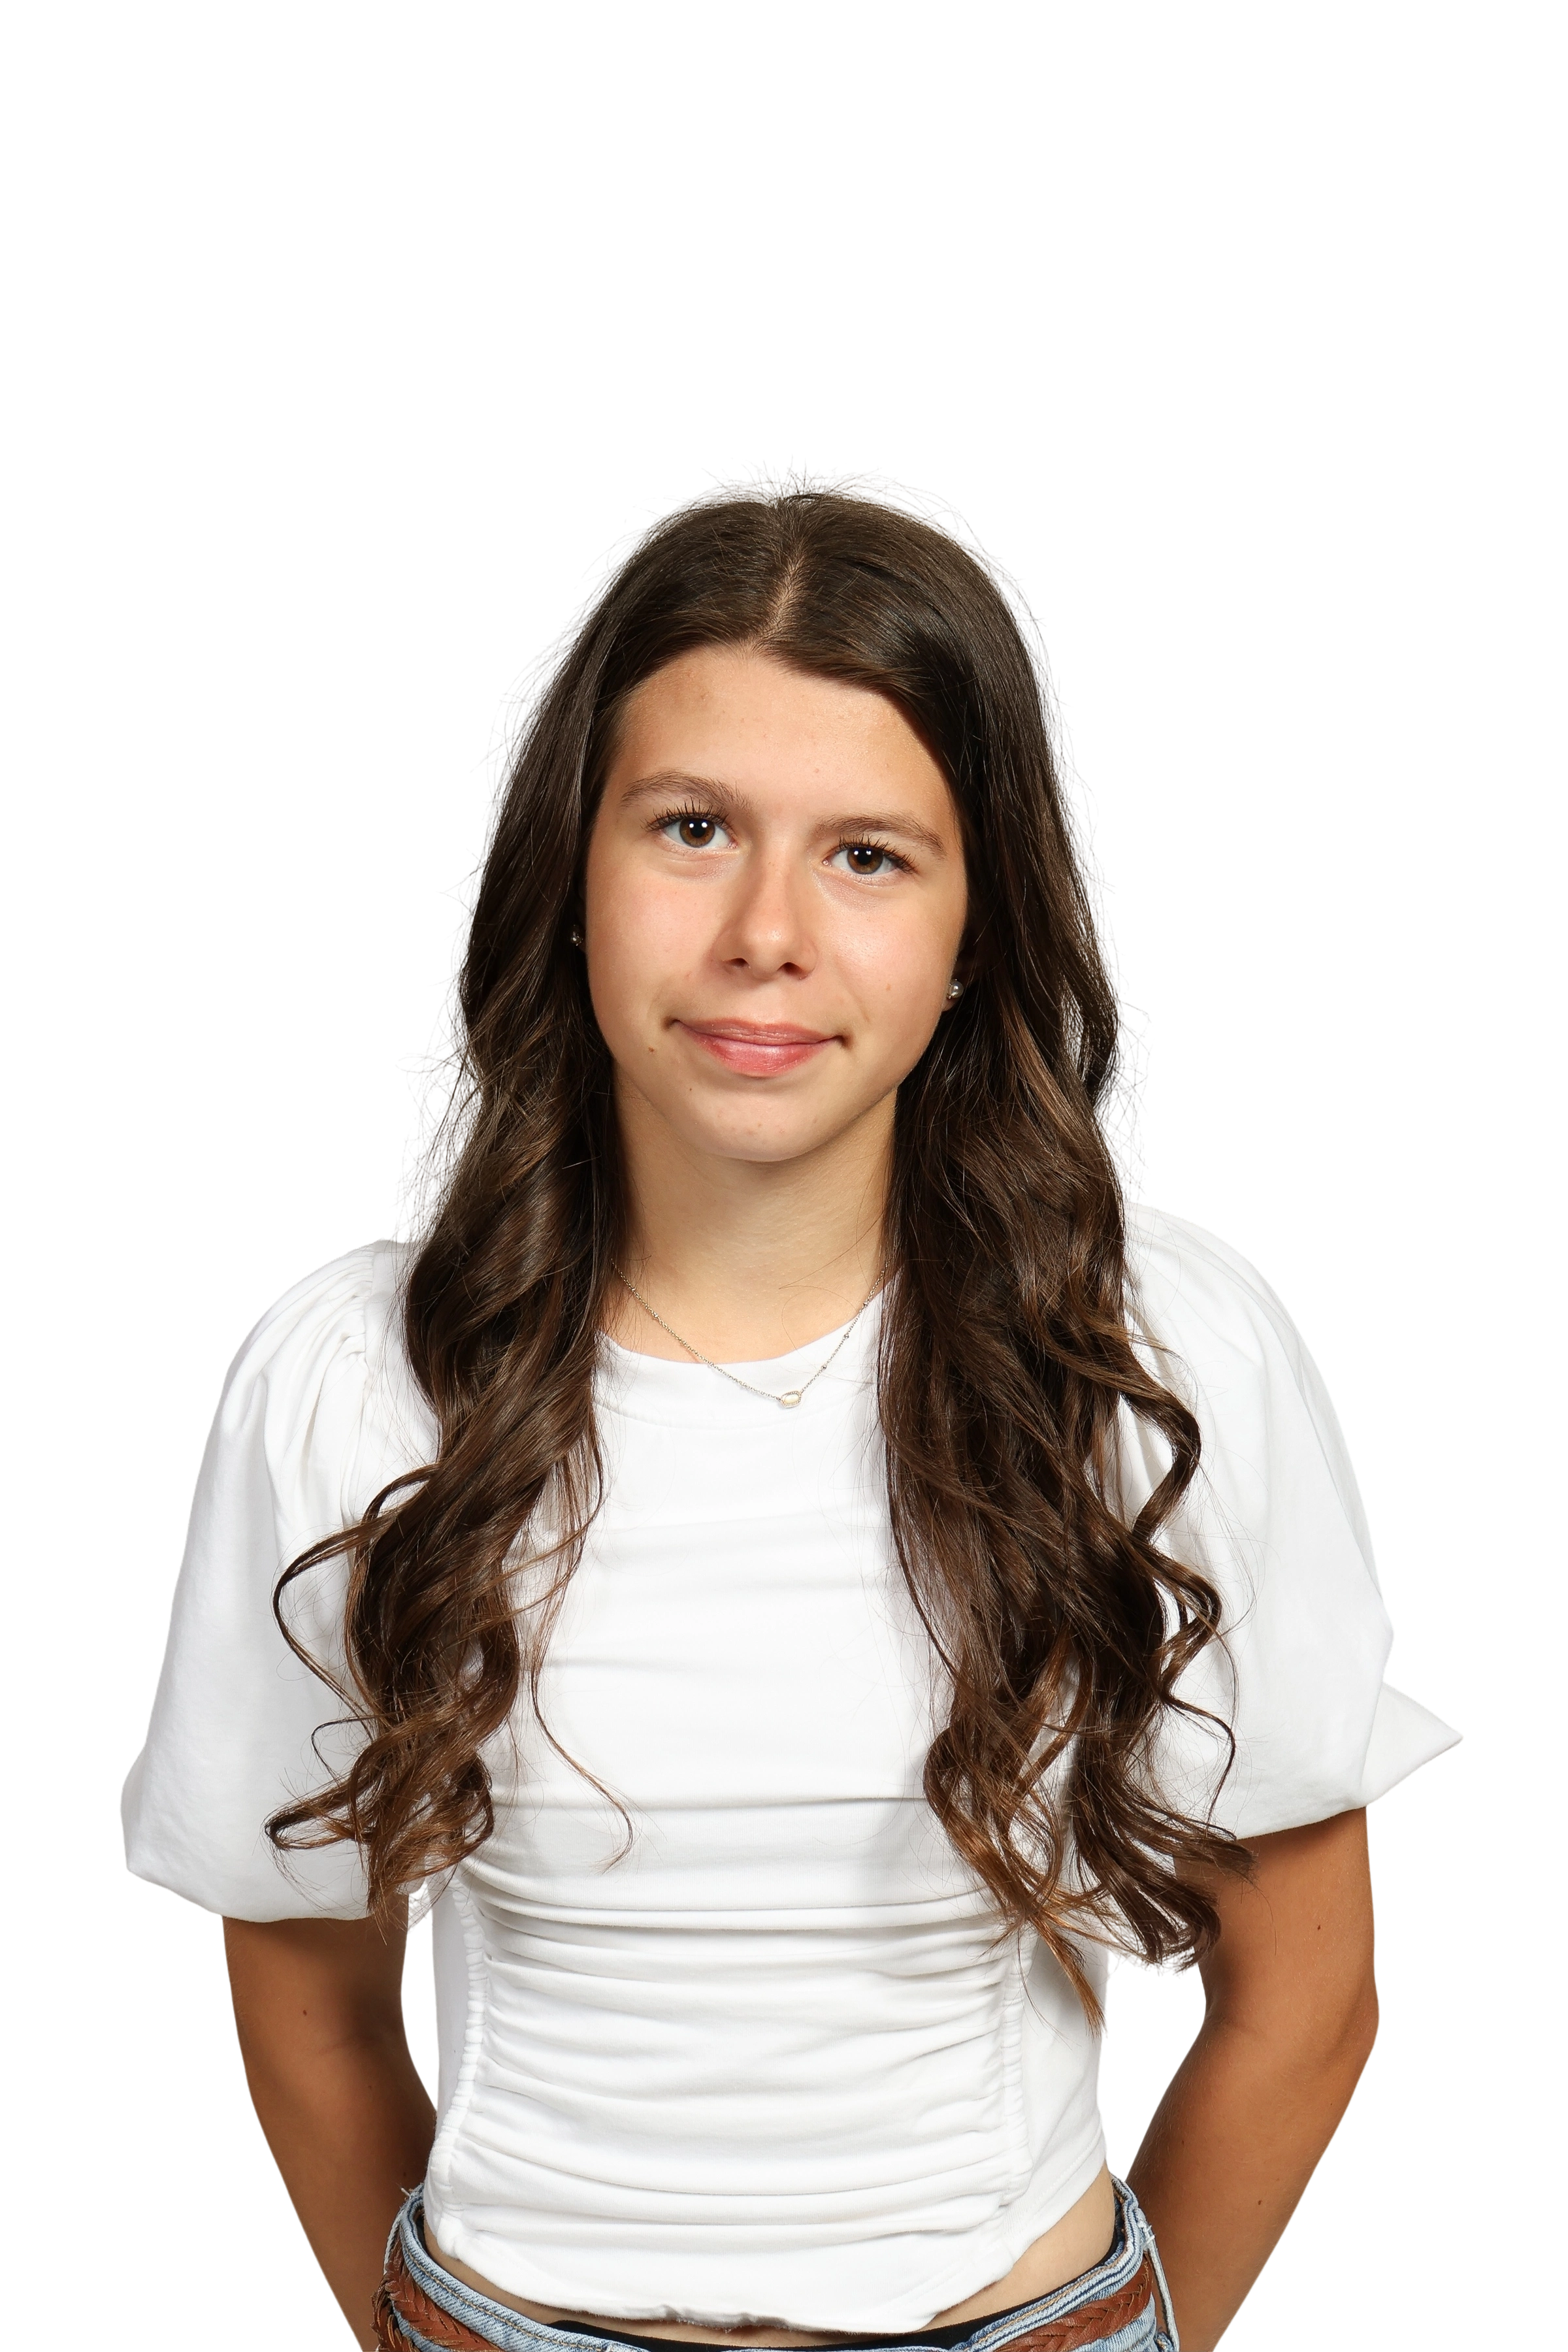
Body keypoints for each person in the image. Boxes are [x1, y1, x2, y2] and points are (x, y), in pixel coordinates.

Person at [118, 463, 1460, 2352]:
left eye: (868, 855)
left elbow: (1306, 1997)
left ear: (979, 921)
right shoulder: (353, 1374)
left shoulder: (1161, 1348)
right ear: (568, 873)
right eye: (692, 829)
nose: (768, 931)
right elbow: (306, 2000)